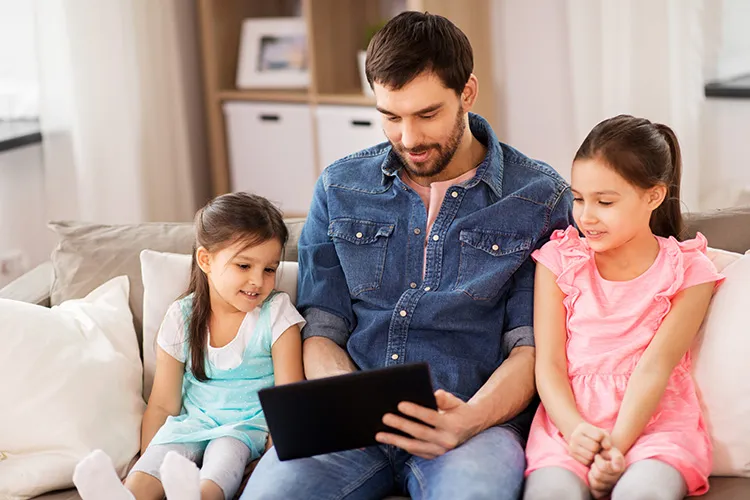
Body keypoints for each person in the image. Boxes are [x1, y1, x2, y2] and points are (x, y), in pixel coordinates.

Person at [241, 11, 573, 500]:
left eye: (427, 114)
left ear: (468, 92)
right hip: (350, 429)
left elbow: (532, 348)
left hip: (473, 427)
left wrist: (467, 421)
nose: (409, 139)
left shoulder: (539, 198)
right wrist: (353, 405)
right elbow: (321, 329)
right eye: (391, 117)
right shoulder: (339, 187)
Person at [523, 115, 724, 500]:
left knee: (643, 492)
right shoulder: (559, 260)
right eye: (578, 198)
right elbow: (548, 364)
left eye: (605, 201)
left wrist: (615, 445)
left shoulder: (689, 270)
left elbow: (655, 367)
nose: (586, 216)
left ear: (654, 196)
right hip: (568, 425)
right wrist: (576, 431)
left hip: (654, 425)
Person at [73, 192, 305, 500]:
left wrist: (272, 461)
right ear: (206, 260)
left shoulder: (276, 313)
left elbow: (289, 400)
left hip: (242, 431)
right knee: (153, 469)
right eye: (244, 266)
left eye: (269, 269)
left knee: (222, 463)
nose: (257, 281)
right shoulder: (182, 316)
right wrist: (146, 456)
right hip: (190, 425)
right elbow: (163, 404)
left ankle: (192, 495)